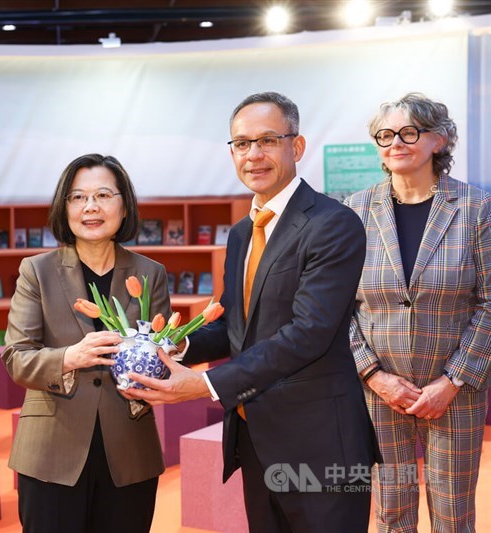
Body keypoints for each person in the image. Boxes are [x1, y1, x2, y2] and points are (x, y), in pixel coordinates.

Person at [126, 92, 381, 532]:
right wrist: (179, 343)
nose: (253, 155)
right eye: (241, 144)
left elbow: (309, 333)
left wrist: (205, 384)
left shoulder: (333, 224)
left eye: (267, 140)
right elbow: (236, 325)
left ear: (296, 147)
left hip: (320, 445)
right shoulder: (243, 232)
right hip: (256, 439)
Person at [2, 153, 172, 533]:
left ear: (124, 206)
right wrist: (70, 357)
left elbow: (158, 351)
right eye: (78, 197)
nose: (91, 207)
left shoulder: (150, 274)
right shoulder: (37, 271)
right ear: (64, 209)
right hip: (51, 453)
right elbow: (16, 357)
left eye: (103, 195)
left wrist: (164, 360)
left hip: (129, 452)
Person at [344, 92, 490, 532]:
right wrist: (373, 375)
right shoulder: (353, 211)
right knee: (391, 514)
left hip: (455, 393)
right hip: (380, 393)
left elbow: (489, 302)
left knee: (452, 514)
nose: (395, 143)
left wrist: (453, 380)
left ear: (439, 141)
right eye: (384, 135)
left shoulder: (476, 210)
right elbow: (339, 308)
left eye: (410, 132)